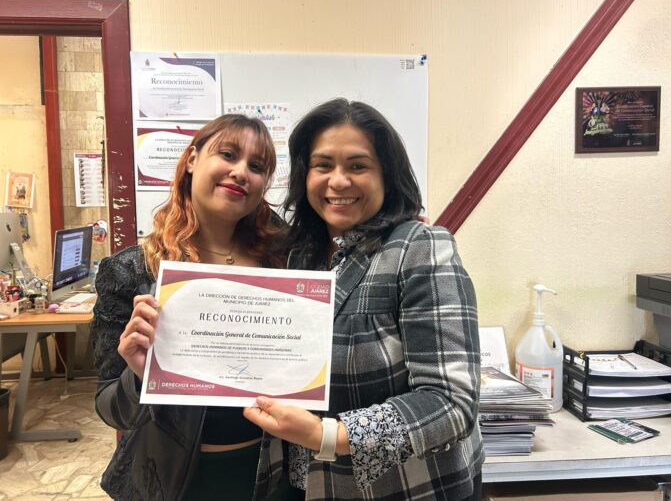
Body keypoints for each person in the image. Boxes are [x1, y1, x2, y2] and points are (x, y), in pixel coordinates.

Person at [244, 98, 484, 500]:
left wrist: (328, 435)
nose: (338, 181)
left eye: (358, 166)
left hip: (405, 489)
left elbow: (451, 403)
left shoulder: (419, 247)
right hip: (303, 484)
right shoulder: (297, 255)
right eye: (323, 165)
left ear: (386, 175)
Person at [91, 114, 302, 500]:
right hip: (175, 480)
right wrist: (139, 376)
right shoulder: (130, 271)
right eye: (229, 155)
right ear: (191, 159)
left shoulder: (286, 261)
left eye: (257, 167)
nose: (241, 172)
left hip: (274, 473)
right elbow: (109, 409)